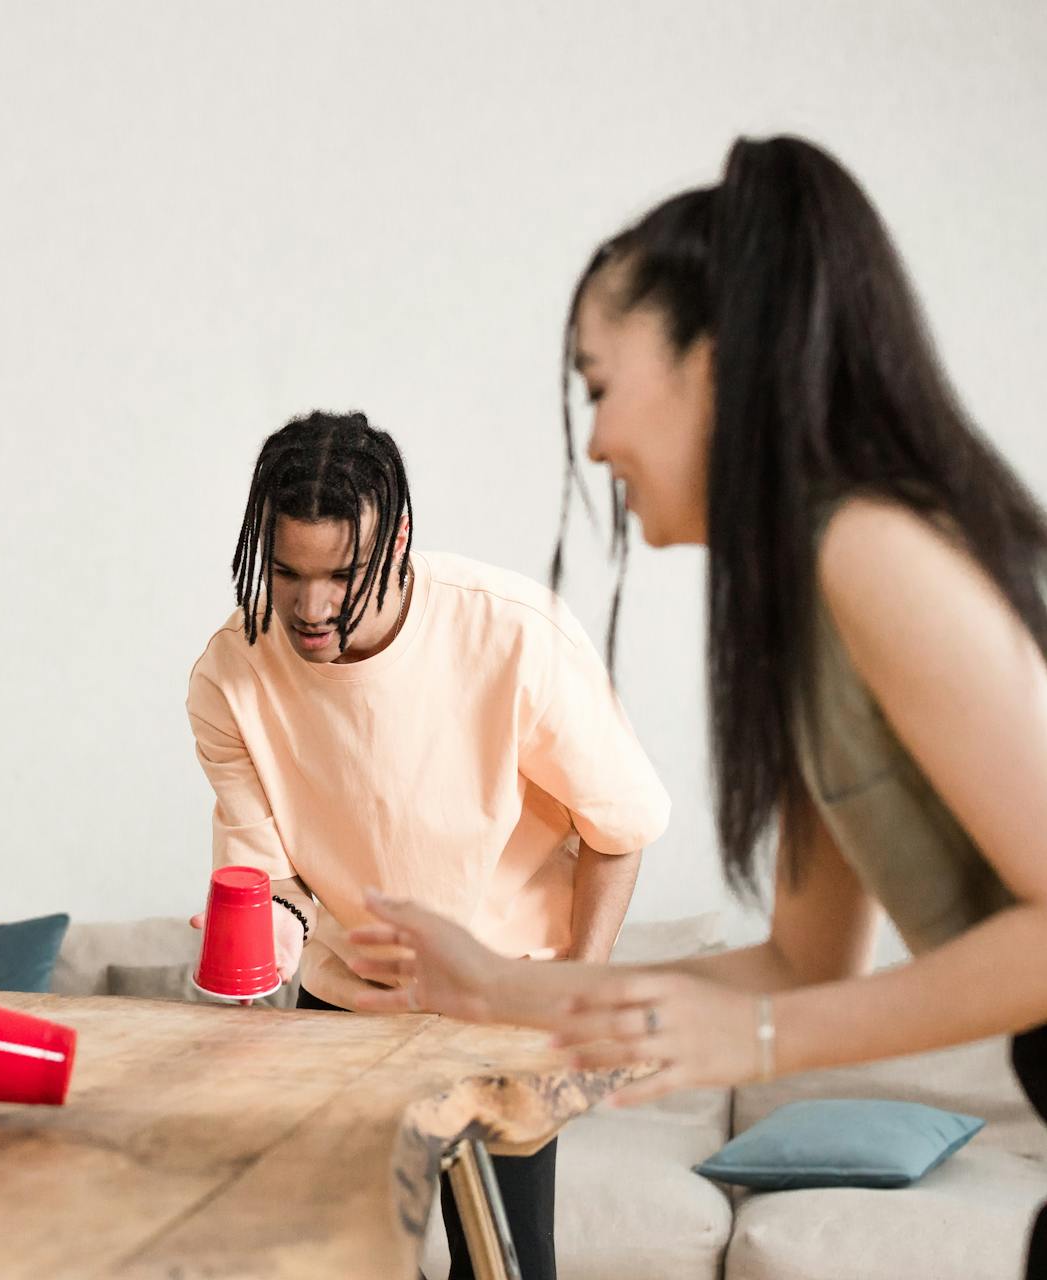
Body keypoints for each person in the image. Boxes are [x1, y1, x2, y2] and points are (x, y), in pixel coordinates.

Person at [349, 137, 1047, 1279]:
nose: (594, 440)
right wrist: (503, 981)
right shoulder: (814, 607)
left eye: (600, 383)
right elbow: (802, 964)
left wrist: (758, 1042)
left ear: (713, 362)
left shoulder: (873, 549)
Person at [186, 410, 670, 1280]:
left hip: (501, 1002)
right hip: (344, 1012)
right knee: (342, 1266)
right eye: (288, 572)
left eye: (341, 575)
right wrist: (267, 939)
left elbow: (620, 832)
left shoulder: (513, 635)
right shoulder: (232, 672)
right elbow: (277, 882)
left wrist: (570, 989)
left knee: (507, 1269)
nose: (312, 606)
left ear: (399, 536)